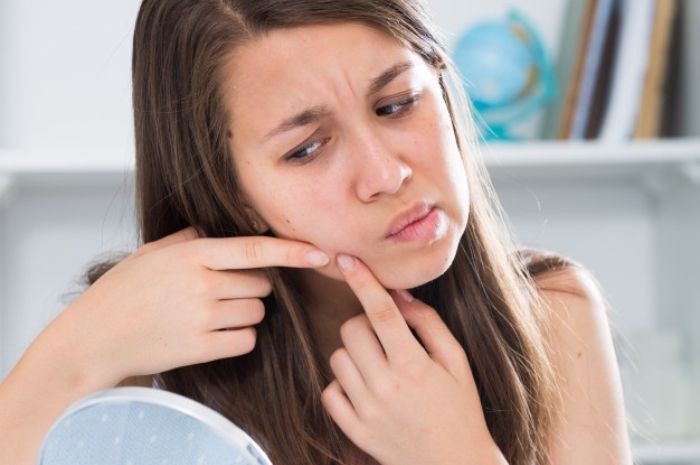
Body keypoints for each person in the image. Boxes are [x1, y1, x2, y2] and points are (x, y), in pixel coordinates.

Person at [0, 1, 634, 464]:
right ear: (230, 191)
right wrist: (79, 346)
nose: (385, 175)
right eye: (306, 148)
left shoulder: (552, 310)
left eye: (396, 105)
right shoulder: (146, 359)